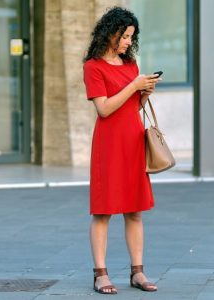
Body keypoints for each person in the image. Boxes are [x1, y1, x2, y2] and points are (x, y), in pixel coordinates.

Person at [83, 6, 161, 295]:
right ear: (111, 33)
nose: (129, 41)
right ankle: (100, 274)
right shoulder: (93, 66)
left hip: (133, 141)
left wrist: (144, 93)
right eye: (125, 36)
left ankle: (137, 272)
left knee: (135, 211)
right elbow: (104, 109)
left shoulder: (131, 66)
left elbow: (131, 108)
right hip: (108, 145)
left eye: (131, 37)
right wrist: (133, 87)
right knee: (103, 211)